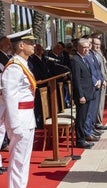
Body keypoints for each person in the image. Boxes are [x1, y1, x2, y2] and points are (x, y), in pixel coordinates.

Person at [2, 28, 37, 188]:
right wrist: (15, 125)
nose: (34, 45)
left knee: (23, 160)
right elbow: (10, 97)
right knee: (17, 161)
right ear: (21, 45)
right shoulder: (14, 67)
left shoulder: (23, 64)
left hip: (27, 117)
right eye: (31, 43)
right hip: (20, 120)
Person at [70, 38, 95, 149]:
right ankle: (80, 140)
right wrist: (80, 95)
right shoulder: (75, 60)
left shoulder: (85, 59)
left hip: (88, 92)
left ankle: (84, 136)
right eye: (83, 48)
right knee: (80, 118)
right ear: (78, 48)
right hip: (82, 94)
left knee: (84, 117)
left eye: (87, 47)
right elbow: (76, 79)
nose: (86, 50)